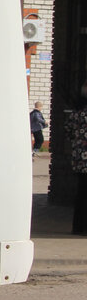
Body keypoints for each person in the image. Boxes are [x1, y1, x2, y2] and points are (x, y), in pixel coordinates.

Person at [67, 86, 87, 235]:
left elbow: (69, 133)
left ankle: (78, 226)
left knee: (81, 193)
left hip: (79, 159)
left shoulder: (76, 113)